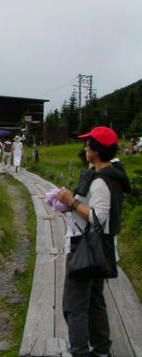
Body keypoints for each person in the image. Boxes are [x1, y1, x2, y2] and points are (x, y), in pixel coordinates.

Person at [56, 127, 131, 357]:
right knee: (95, 302)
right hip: (99, 250)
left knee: (74, 306)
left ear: (96, 151)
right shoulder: (111, 174)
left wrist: (72, 202)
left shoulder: (102, 181)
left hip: (86, 250)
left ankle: (79, 352)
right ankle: (101, 350)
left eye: (88, 145)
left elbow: (98, 218)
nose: (85, 148)